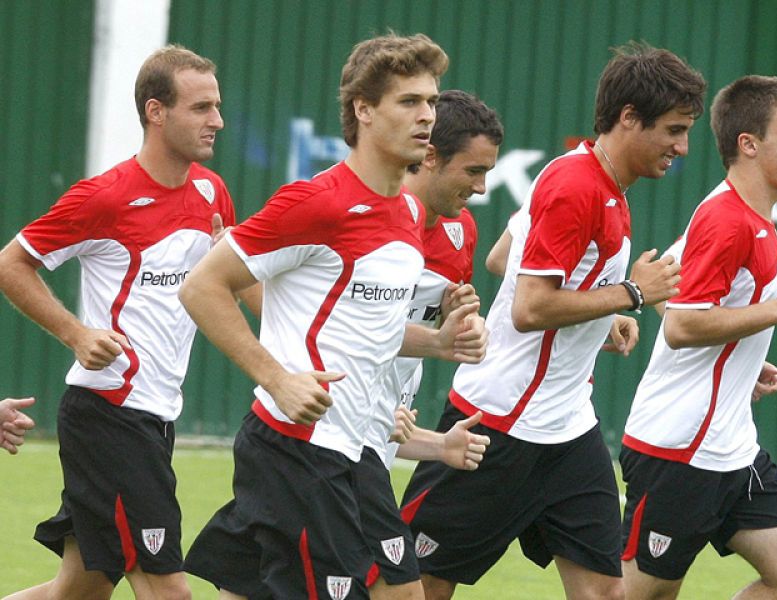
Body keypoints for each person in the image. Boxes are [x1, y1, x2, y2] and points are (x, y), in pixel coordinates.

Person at [179, 34, 486, 600]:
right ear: (363, 110)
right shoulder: (316, 201)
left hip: (355, 449)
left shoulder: (408, 213)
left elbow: (362, 326)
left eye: (431, 102)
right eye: (408, 102)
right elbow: (204, 286)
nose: (426, 116)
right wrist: (277, 378)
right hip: (297, 448)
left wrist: (441, 342)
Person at [399, 42, 707, 600]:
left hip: (567, 428)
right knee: (419, 588)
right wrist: (629, 293)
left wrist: (600, 316)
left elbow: (502, 261)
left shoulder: (595, 181)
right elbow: (530, 306)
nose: (681, 147)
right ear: (629, 118)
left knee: (606, 592)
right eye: (673, 129)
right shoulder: (575, 184)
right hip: (500, 421)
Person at [0, 44, 240, 600]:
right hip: (110, 416)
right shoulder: (105, 196)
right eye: (201, 108)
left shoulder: (211, 191)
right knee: (168, 588)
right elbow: (13, 263)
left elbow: (234, 287)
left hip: (155, 417)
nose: (217, 121)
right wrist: (76, 333)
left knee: (79, 589)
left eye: (217, 106)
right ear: (156, 112)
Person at [620, 75, 777, 599]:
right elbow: (680, 325)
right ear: (748, 144)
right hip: (679, 449)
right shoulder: (726, 219)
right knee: (644, 594)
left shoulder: (750, 217)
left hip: (732, 446)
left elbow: (665, 291)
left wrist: (741, 353)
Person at [357, 90, 502, 596]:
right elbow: (342, 327)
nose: (482, 188)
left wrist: (468, 327)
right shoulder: (366, 222)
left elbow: (446, 321)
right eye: (473, 172)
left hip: (377, 438)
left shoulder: (461, 231)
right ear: (431, 157)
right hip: (328, 438)